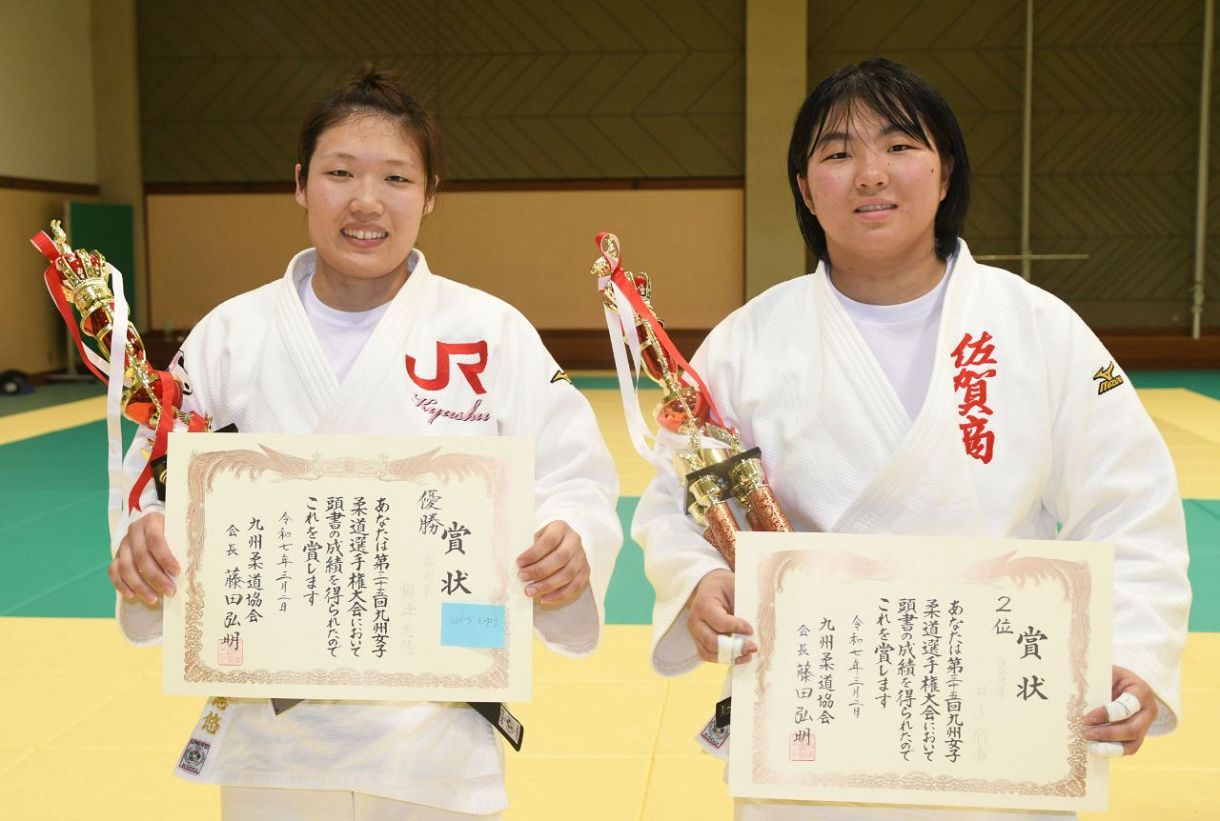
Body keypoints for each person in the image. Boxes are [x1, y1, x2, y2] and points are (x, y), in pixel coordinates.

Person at [633, 58, 1191, 820]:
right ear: (804, 187)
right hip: (817, 721)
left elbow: (1134, 502)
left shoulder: (1045, 328)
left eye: (900, 145)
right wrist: (698, 580)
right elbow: (675, 499)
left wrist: (1132, 650)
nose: (870, 174)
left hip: (1002, 726)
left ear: (946, 167)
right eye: (836, 153)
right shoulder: (746, 341)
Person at [107, 66, 621, 820]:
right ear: (299, 184)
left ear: (432, 193)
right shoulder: (228, 337)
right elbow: (149, 482)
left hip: (437, 728)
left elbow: (576, 471)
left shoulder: (490, 333)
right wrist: (142, 538)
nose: (365, 202)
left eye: (396, 177)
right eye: (339, 173)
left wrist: (571, 537)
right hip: (270, 734)